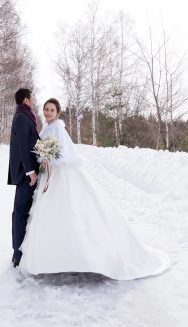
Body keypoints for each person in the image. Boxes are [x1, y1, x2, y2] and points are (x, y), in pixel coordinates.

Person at [19, 98, 171, 280]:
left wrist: (51, 159)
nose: (48, 112)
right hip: (50, 175)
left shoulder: (59, 127)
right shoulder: (44, 129)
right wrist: (43, 159)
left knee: (71, 210)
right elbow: (42, 152)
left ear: (57, 112)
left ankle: (80, 256)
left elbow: (65, 151)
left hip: (62, 173)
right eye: (46, 109)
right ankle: (56, 256)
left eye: (52, 110)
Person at [8, 88, 40, 268]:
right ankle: (18, 254)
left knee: (21, 212)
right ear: (26, 100)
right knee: (20, 213)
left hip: (26, 173)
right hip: (25, 175)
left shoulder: (24, 116)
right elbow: (22, 146)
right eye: (32, 99)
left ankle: (18, 252)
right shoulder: (21, 117)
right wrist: (30, 172)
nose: (34, 102)